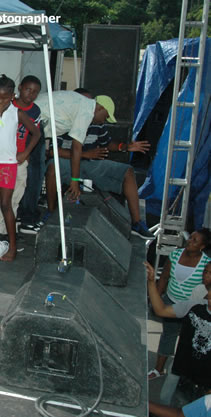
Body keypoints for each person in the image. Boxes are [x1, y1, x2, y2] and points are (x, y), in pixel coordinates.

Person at [36, 91, 154, 239]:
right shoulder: (72, 118)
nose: (104, 121)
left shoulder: (97, 125)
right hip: (68, 163)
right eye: (105, 116)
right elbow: (53, 152)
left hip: (91, 165)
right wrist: (80, 167)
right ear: (98, 108)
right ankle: (51, 213)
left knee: (128, 172)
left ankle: (137, 223)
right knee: (53, 167)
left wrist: (125, 146)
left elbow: (108, 143)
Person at [0, 75, 40, 261]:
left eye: (5, 98)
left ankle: (12, 248)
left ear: (12, 96)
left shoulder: (17, 113)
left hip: (7, 165)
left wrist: (26, 152)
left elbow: (36, 133)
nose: (1, 101)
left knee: (6, 205)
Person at [146, 261, 211, 405]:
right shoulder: (194, 305)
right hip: (183, 366)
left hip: (205, 380)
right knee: (166, 400)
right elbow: (161, 310)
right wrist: (151, 282)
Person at [148, 229, 210, 379]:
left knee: (189, 340)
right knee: (168, 335)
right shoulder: (175, 255)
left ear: (202, 246)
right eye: (191, 238)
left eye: (195, 240)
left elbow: (206, 289)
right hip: (171, 302)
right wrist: (156, 297)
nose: (189, 241)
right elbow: (164, 278)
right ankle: (159, 369)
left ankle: (184, 372)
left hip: (192, 308)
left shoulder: (207, 265)